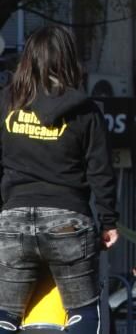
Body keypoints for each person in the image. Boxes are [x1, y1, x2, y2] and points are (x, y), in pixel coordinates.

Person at [0, 25, 118, 333]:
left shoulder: (6, 103)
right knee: (84, 311)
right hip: (68, 222)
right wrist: (108, 222)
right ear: (68, 60)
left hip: (13, 221)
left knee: (5, 314)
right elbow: (101, 170)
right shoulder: (85, 111)